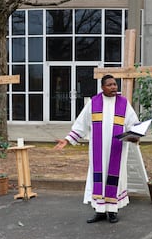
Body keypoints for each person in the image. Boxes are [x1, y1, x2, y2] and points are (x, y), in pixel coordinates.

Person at [54, 75, 139, 224]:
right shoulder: (94, 103)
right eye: (110, 85)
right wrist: (67, 140)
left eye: (115, 84)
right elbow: (81, 124)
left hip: (117, 149)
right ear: (102, 87)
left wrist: (135, 134)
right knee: (98, 178)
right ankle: (99, 211)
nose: (114, 87)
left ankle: (112, 211)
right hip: (98, 151)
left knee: (115, 178)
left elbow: (133, 124)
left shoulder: (123, 103)